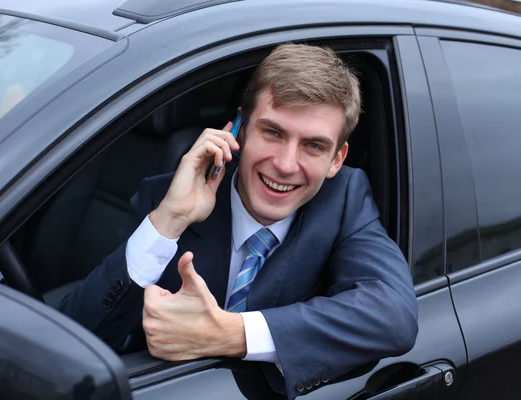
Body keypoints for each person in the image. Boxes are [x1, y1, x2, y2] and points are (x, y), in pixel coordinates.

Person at [59, 44, 418, 399]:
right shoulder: (166, 198)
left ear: (337, 159)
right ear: (240, 129)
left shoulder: (343, 200)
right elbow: (72, 344)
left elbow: (393, 315)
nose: (286, 164)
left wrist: (227, 333)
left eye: (313, 146)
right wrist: (169, 220)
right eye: (273, 133)